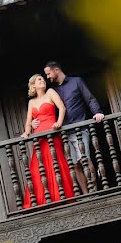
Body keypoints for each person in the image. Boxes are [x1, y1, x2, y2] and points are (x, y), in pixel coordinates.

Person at [41, 61, 104, 194]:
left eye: (48, 73)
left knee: (85, 160)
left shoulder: (77, 81)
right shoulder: (52, 91)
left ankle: (95, 191)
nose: (48, 77)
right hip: (64, 133)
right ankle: (86, 194)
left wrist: (97, 112)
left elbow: (90, 99)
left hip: (80, 129)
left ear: (56, 70)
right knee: (75, 165)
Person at [21, 74, 76, 207]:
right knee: (39, 167)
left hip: (52, 133)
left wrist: (58, 122)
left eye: (43, 79)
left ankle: (61, 196)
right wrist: (27, 131)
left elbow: (62, 108)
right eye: (39, 79)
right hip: (39, 138)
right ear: (33, 85)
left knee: (55, 163)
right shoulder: (31, 102)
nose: (43, 81)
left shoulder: (50, 92)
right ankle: (42, 201)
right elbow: (28, 123)